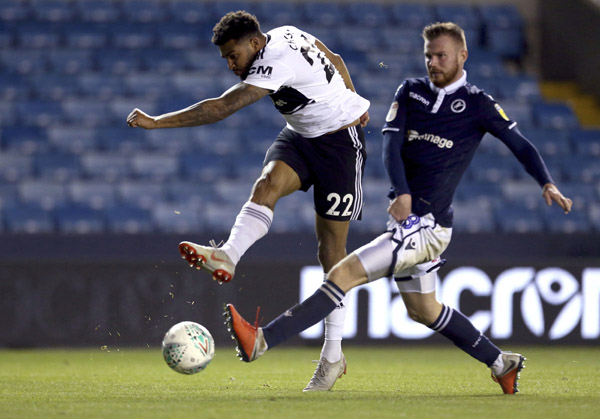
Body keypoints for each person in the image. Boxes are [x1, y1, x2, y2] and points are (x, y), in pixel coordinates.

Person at [223, 22, 573, 395]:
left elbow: (520, 144)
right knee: (423, 310)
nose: (434, 63)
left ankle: (263, 340)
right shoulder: (410, 92)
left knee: (341, 274)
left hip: (429, 226)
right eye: (429, 56)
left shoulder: (478, 104)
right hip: (408, 222)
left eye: (441, 56)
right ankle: (502, 363)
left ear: (462, 56)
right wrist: (399, 191)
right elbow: (390, 142)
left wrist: (546, 181)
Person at [127, 11, 370, 391]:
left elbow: (221, 107)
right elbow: (334, 59)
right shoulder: (287, 32)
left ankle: (332, 357)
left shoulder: (275, 61)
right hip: (301, 136)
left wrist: (158, 122)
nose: (230, 64)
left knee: (331, 253)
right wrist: (354, 95)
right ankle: (228, 254)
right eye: (224, 58)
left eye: (232, 54)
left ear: (255, 43)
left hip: (339, 144)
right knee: (265, 186)